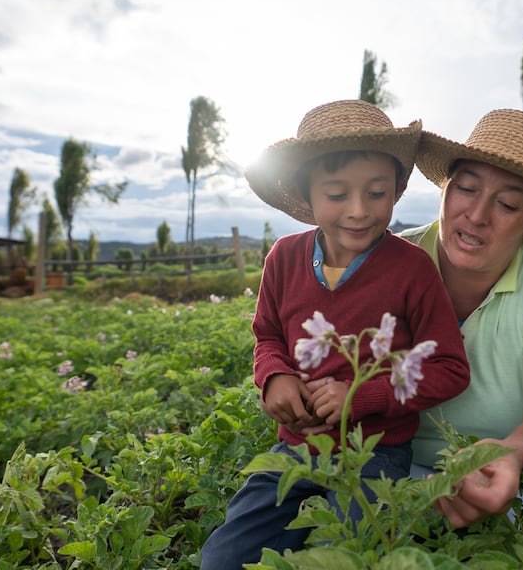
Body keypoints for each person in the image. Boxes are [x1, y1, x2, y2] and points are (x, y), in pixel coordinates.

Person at [200, 99, 471, 569]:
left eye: (376, 192)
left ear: (398, 191)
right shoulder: (284, 258)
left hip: (377, 455)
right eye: (337, 194)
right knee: (224, 559)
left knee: (352, 556)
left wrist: (361, 396)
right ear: (308, 196)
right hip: (297, 448)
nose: (359, 211)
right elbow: (266, 337)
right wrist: (275, 378)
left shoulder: (412, 269)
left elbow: (449, 369)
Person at [397, 108, 523, 538]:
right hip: (399, 464)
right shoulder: (390, 261)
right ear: (444, 188)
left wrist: (507, 454)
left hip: (515, 467)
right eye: (466, 188)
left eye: (508, 203)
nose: (476, 215)